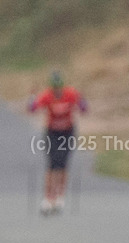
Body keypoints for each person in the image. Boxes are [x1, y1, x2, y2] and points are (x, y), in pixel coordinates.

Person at [27, 71, 87, 215]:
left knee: (63, 164)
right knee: (52, 164)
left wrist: (82, 99)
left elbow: (84, 108)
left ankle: (60, 195)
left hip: (67, 132)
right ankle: (48, 198)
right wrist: (32, 98)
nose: (57, 92)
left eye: (59, 88)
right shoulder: (47, 95)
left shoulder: (70, 94)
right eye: (55, 89)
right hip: (52, 133)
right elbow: (33, 108)